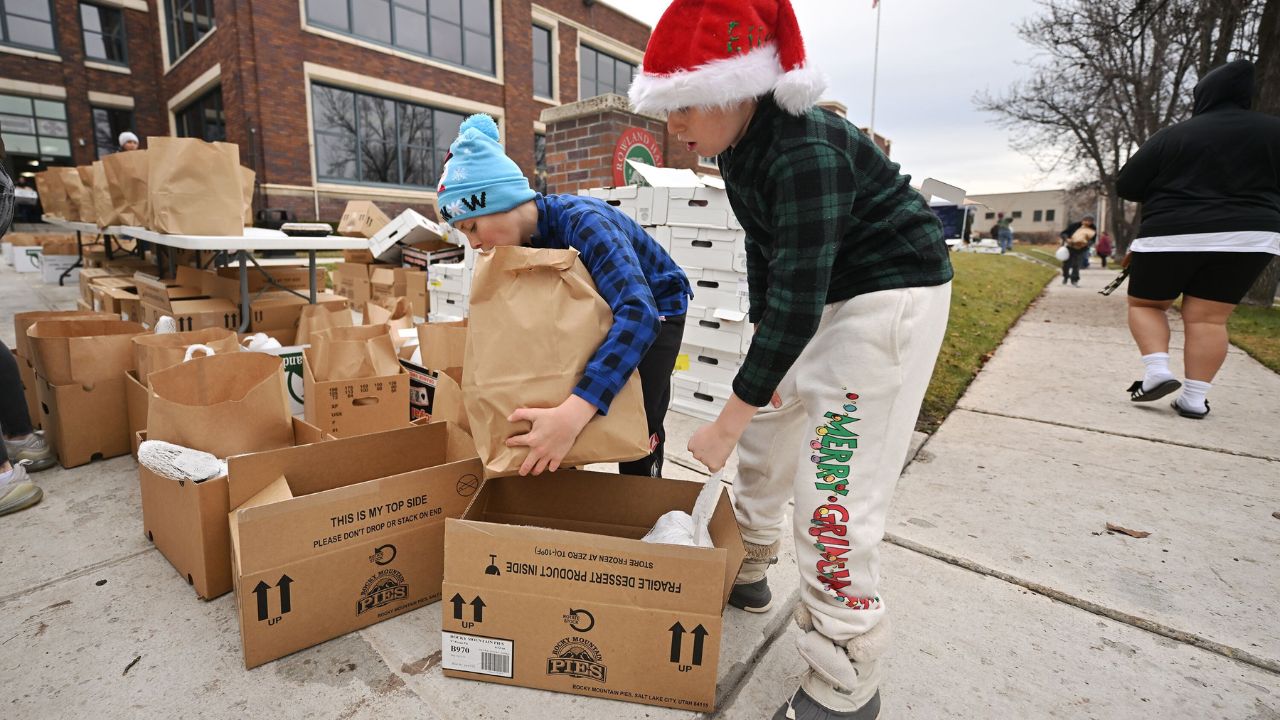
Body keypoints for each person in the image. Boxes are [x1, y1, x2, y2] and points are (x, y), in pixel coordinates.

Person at [631, 2, 953, 717]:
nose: (673, 127)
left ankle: (846, 671)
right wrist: (760, 376)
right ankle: (748, 559)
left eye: (684, 106)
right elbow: (769, 258)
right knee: (768, 431)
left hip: (887, 296)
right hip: (822, 287)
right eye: (667, 108)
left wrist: (725, 416)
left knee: (833, 483)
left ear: (737, 87)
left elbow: (801, 296)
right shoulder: (740, 146)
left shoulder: (806, 150)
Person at [436, 114, 691, 477]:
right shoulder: (522, 245)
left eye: (472, 226)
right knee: (563, 385)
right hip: (603, 304)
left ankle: (646, 496)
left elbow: (639, 315)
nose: (473, 243)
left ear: (503, 200)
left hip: (657, 306)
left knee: (637, 418)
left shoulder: (584, 223)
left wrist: (575, 412)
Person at [1116, 59, 1279, 418]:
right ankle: (1193, 398)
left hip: (1172, 233)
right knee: (1209, 320)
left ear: (1204, 95)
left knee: (1147, 305)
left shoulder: (1174, 135)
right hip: (1248, 237)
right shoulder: (1274, 131)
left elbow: (1127, 185)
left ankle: (1157, 372)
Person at [1060, 217, 1096, 286]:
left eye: (1089, 221)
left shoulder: (1092, 229)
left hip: (1081, 249)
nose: (1087, 222)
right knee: (1066, 264)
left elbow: (1093, 239)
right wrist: (1066, 238)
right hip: (1070, 247)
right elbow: (1064, 233)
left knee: (1076, 264)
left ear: (1091, 222)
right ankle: (1065, 276)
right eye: (1086, 220)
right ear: (1082, 220)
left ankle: (1074, 279)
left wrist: (1088, 243)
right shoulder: (1074, 225)